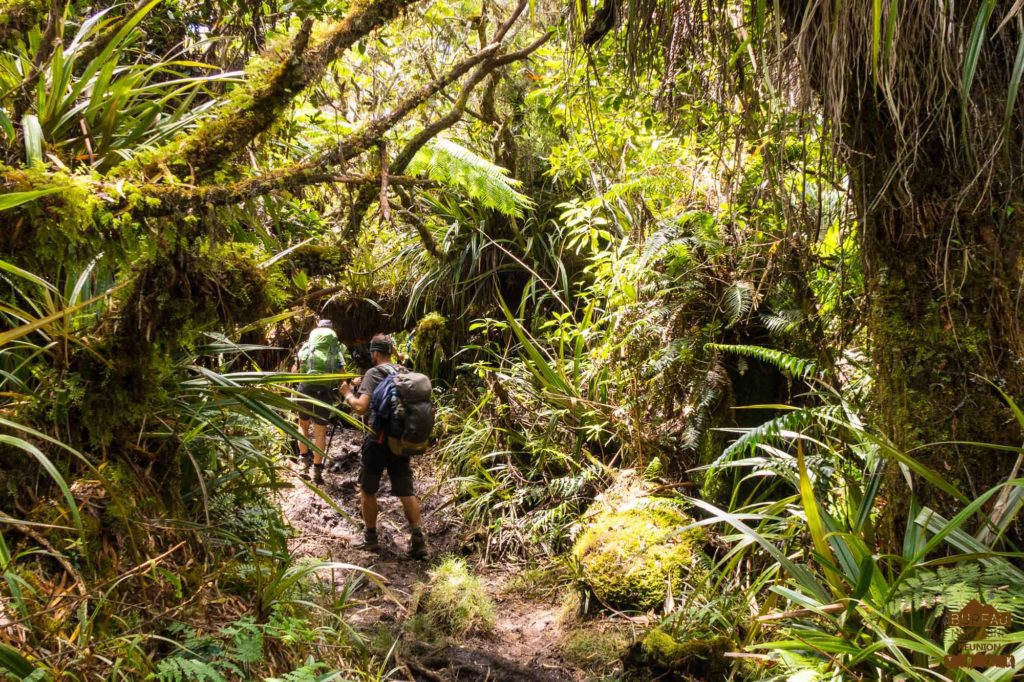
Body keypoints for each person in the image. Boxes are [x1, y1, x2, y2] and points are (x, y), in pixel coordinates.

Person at [340, 334, 428, 559]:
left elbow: (360, 407)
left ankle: (370, 538)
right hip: (400, 441)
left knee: (368, 489)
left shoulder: (373, 373)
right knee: (406, 491)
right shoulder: (404, 372)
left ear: (375, 353)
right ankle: (418, 541)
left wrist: (348, 393)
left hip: (377, 440)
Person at [292, 318, 344, 485]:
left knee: (303, 424)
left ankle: (303, 463)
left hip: (305, 390)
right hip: (324, 392)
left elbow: (295, 370)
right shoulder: (335, 350)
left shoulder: (307, 347)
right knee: (320, 432)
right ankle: (316, 469)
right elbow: (342, 375)